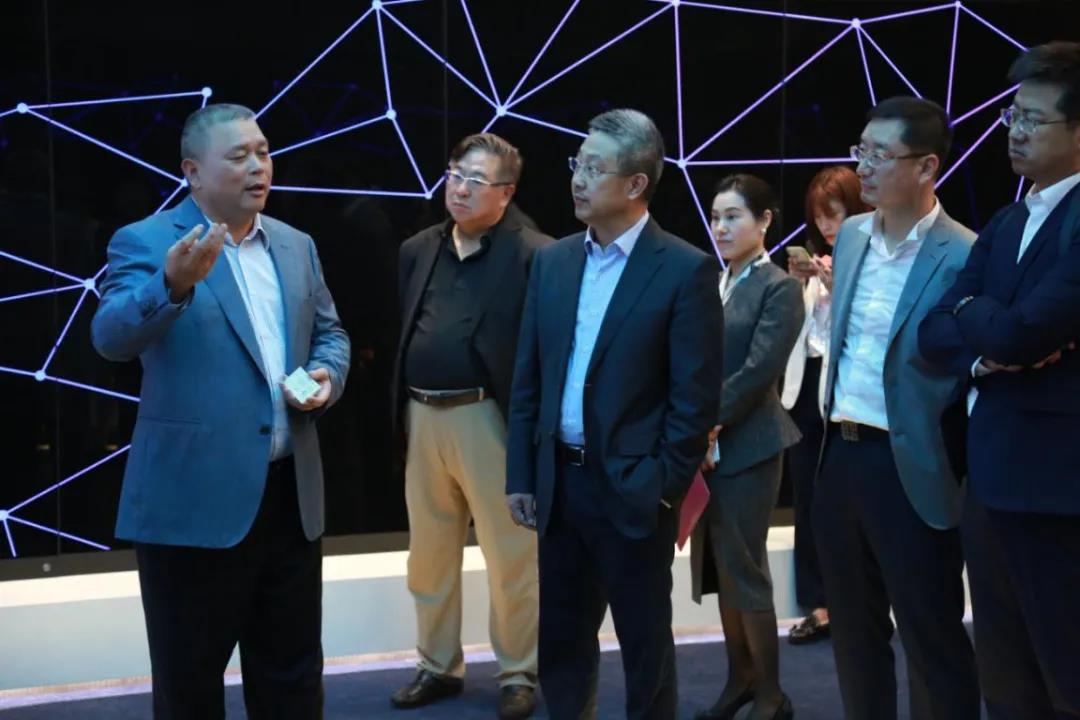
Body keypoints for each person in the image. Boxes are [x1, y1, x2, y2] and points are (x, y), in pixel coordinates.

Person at [91, 103, 351, 719]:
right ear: (193, 171)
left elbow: (331, 335)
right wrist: (171, 285)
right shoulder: (148, 241)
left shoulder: (295, 244)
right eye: (239, 156)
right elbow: (109, 338)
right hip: (193, 505)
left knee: (292, 681)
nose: (259, 166)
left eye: (263, 152)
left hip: (288, 501)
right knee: (189, 689)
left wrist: (327, 375)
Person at [505, 108, 723, 719]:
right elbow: (529, 379)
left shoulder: (683, 269)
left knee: (644, 648)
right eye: (577, 164)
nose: (577, 179)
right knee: (562, 644)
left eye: (594, 168)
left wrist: (662, 488)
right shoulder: (553, 261)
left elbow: (694, 400)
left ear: (636, 183)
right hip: (560, 483)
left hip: (634, 489)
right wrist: (522, 474)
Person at [919, 41, 1080, 719]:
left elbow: (1024, 331)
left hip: (1059, 487)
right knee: (1006, 679)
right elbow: (935, 331)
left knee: (1066, 671)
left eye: (1033, 119)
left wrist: (976, 316)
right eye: (1013, 116)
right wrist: (982, 344)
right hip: (988, 478)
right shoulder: (1009, 219)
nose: (1014, 131)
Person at [815, 96, 980, 720]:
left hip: (911, 462)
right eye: (860, 151)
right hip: (839, 454)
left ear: (927, 166)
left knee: (930, 633)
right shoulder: (853, 236)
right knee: (854, 635)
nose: (863, 167)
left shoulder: (964, 252)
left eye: (880, 155)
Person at [390, 133, 551, 719]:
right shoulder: (419, 248)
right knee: (428, 555)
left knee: (511, 556)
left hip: (490, 417)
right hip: (422, 414)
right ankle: (437, 665)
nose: (459, 188)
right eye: (455, 174)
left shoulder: (535, 253)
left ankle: (518, 672)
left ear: (506, 193)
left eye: (475, 181)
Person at [690, 174, 803, 720]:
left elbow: (760, 369)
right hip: (704, 446)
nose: (721, 227)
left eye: (733, 216)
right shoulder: (715, 281)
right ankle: (741, 680)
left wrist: (707, 421)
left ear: (764, 221)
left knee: (745, 566)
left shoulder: (779, 286)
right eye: (716, 217)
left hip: (750, 443)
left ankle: (772, 695)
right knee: (720, 568)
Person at [781, 166, 869, 645]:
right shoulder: (818, 264)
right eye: (819, 217)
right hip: (804, 390)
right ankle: (816, 602)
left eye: (834, 213)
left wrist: (836, 284)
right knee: (807, 498)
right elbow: (797, 335)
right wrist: (797, 284)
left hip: (848, 391)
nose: (827, 225)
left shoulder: (872, 258)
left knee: (849, 498)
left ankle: (857, 600)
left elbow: (869, 328)